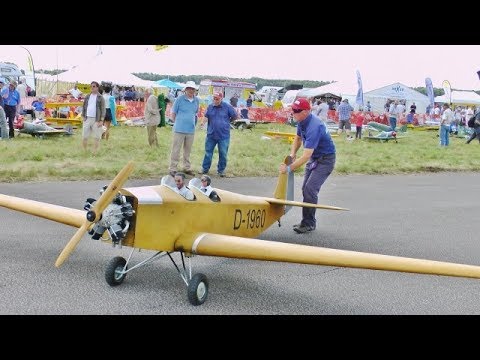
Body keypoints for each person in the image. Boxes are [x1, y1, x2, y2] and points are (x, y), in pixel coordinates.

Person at [279, 98, 336, 234]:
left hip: (326, 160)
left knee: (310, 189)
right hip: (315, 157)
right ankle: (307, 221)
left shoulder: (314, 126)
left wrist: (288, 169)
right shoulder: (301, 121)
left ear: (305, 112)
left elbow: (306, 156)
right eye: (293, 110)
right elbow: (298, 138)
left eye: (296, 111)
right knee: (305, 188)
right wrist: (292, 154)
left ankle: (309, 223)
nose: (293, 113)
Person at [200, 91, 237, 177]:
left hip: (223, 135)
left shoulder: (227, 107)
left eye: (217, 99)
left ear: (221, 98)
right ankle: (205, 169)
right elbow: (206, 116)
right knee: (208, 152)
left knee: (223, 153)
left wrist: (228, 122)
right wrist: (202, 122)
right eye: (214, 98)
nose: (215, 100)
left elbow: (235, 116)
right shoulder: (210, 107)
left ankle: (221, 170)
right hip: (211, 134)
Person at [168, 81, 200, 177]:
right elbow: (173, 113)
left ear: (195, 90)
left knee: (187, 151)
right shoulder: (179, 99)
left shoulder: (196, 100)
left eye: (193, 89)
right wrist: (176, 123)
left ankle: (186, 168)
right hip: (179, 129)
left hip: (191, 130)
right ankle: (173, 168)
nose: (191, 90)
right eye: (189, 88)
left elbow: (195, 113)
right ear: (185, 89)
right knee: (176, 150)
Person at [81, 81, 106, 155]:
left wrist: (101, 120)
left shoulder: (100, 97)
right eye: (91, 86)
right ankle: (84, 151)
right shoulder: (87, 96)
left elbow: (103, 109)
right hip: (87, 118)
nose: (92, 87)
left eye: (94, 86)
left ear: (97, 88)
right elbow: (84, 106)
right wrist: (83, 116)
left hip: (96, 119)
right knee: (84, 136)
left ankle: (94, 152)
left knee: (97, 137)